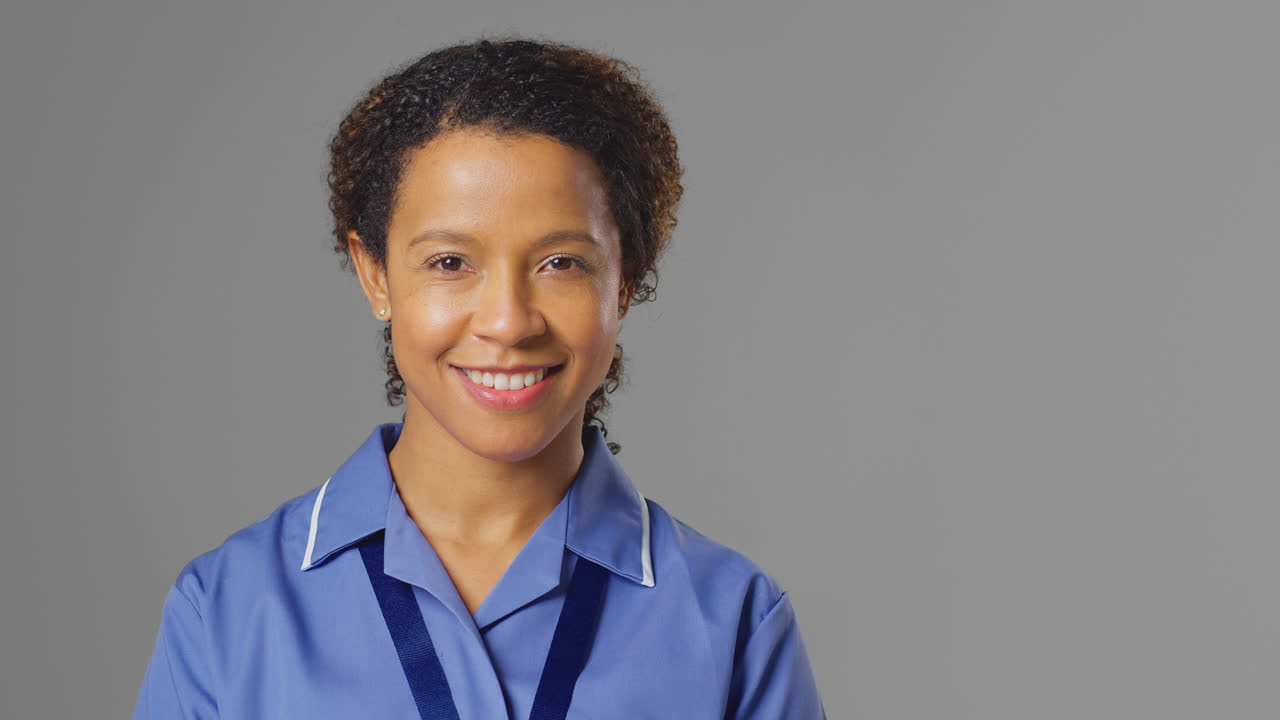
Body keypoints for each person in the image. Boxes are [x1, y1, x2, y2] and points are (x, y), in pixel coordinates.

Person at [132, 35, 827, 719]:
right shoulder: (227, 611)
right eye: (449, 263)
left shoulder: (734, 623)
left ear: (625, 284)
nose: (508, 321)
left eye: (561, 263)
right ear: (375, 275)